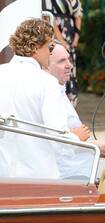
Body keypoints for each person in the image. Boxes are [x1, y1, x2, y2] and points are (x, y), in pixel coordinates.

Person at [0, 18, 68, 178]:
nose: (51, 54)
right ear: (35, 48)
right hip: (38, 176)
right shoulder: (47, 82)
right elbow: (60, 138)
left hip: (3, 175)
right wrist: (78, 140)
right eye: (50, 47)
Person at [47, 43, 105, 179]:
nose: (69, 65)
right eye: (61, 61)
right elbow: (53, 142)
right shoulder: (49, 95)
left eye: (69, 59)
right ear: (46, 66)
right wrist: (93, 145)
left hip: (76, 175)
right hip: (64, 178)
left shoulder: (60, 91)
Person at [46, 0, 82, 107]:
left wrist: (76, 38)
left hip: (71, 36)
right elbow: (49, 18)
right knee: (59, 66)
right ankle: (60, 102)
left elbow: (78, 16)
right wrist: (61, 40)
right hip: (57, 34)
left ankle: (71, 103)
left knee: (70, 69)